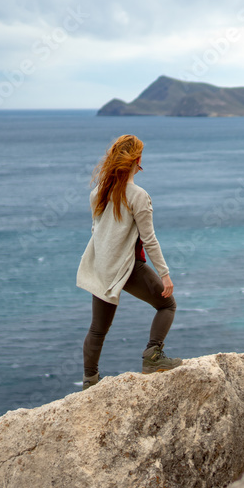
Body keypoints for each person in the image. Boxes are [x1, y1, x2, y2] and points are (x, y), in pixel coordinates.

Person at [75, 134, 181, 389]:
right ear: (138, 159)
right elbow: (150, 239)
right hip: (128, 265)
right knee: (167, 305)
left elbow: (96, 229)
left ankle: (90, 381)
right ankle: (153, 356)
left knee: (97, 329)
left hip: (102, 265)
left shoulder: (98, 192)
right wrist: (165, 274)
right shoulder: (138, 195)